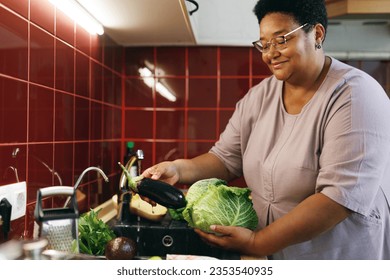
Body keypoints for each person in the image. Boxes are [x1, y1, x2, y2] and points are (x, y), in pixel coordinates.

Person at [142, 0, 390, 260]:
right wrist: (178, 169)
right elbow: (225, 159)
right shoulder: (259, 97)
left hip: (339, 260)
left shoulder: (355, 95)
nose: (270, 53)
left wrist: (257, 243)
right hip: (276, 255)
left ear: (317, 34)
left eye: (281, 40)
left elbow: (337, 199)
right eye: (264, 43)